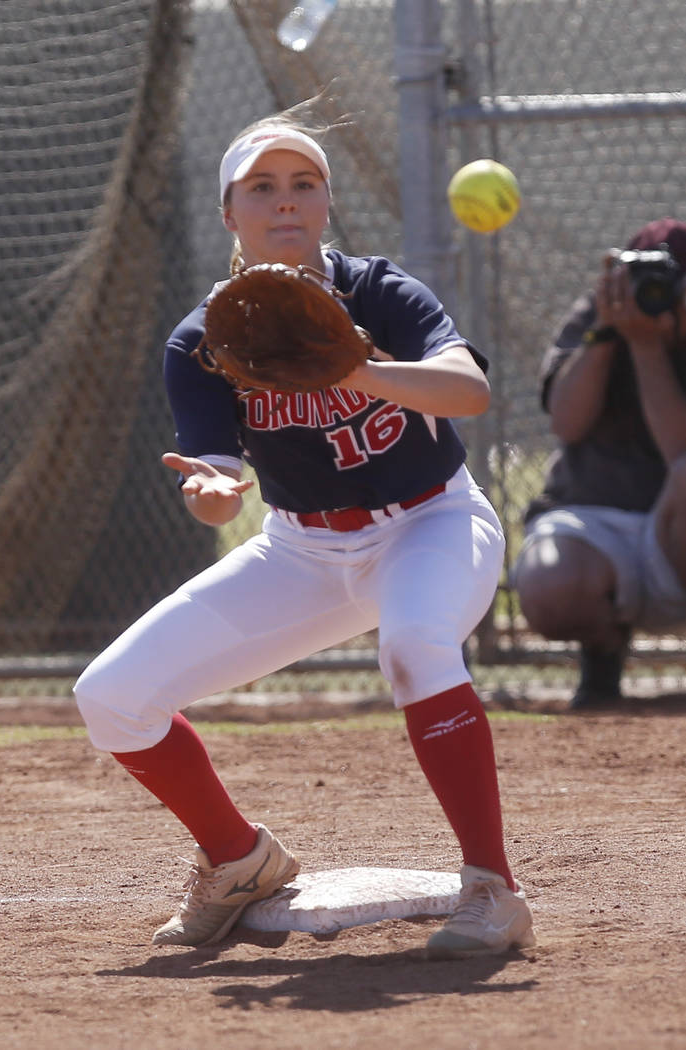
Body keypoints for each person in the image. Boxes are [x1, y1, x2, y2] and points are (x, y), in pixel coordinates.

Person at [74, 103, 535, 959]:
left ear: (324, 204)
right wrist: (212, 493)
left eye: (304, 184)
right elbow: (213, 481)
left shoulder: (378, 292)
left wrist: (350, 362)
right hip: (303, 548)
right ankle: (238, 860)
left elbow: (467, 392)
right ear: (230, 214)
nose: (285, 201)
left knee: (414, 647)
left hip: (429, 524)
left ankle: (491, 889)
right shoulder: (204, 339)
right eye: (262, 187)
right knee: (109, 696)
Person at [513, 218, 686, 710]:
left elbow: (680, 453)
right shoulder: (598, 315)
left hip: (676, 532)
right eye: (645, 284)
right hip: (594, 520)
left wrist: (650, 348)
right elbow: (567, 422)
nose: (654, 296)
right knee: (551, 584)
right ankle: (603, 654)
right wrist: (610, 334)